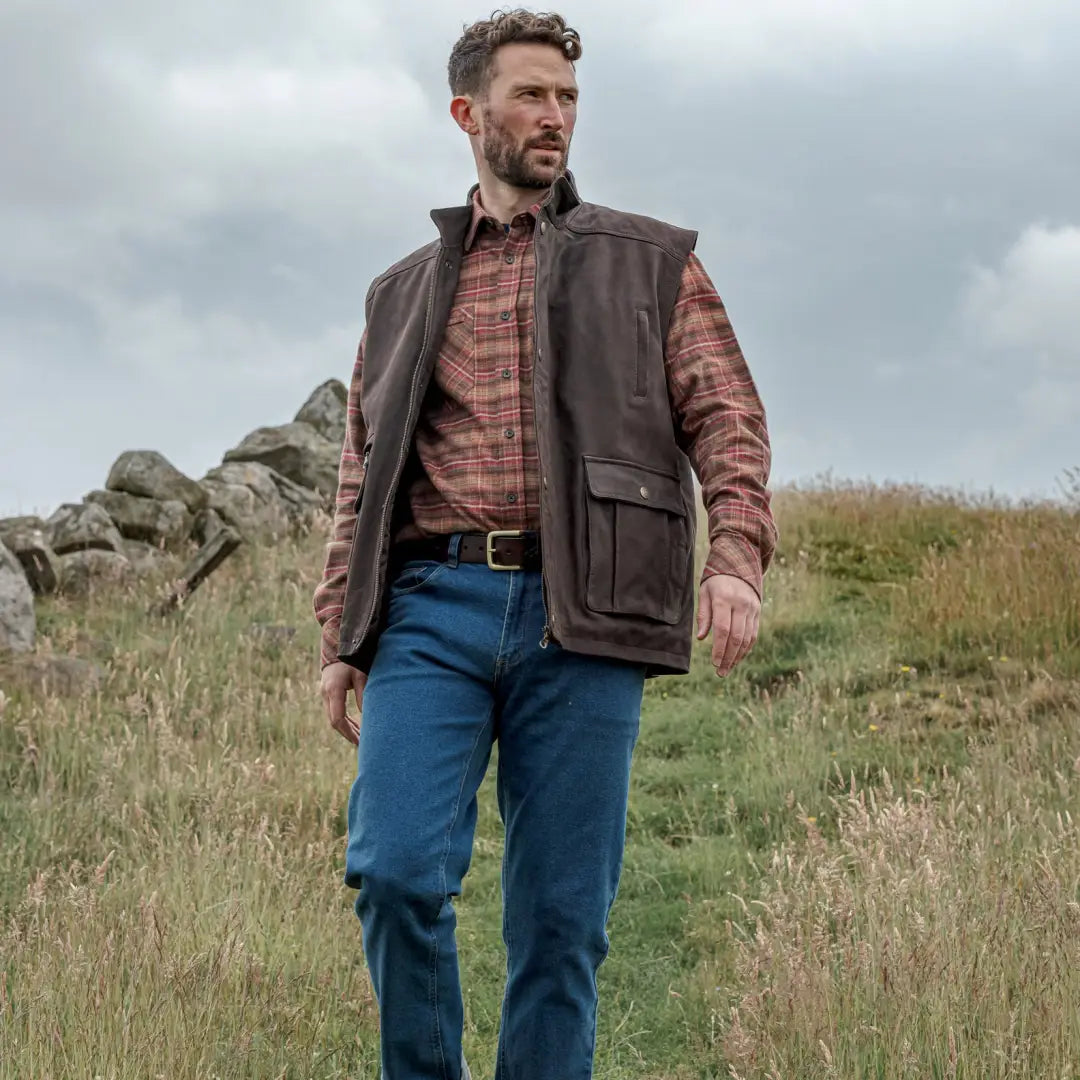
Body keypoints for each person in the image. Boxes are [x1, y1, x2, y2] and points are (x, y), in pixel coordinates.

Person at [313, 10, 778, 1078]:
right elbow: (360, 471)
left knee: (563, 920)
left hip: (590, 612)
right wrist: (343, 631)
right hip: (431, 610)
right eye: (531, 95)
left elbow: (728, 416)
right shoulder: (398, 294)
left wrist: (736, 559)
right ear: (468, 113)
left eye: (567, 98)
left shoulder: (654, 263)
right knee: (392, 872)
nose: (554, 116)